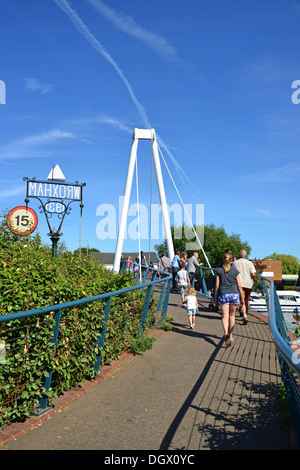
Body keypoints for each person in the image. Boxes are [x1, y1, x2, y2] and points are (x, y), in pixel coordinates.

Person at [214, 253, 245, 346]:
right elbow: (239, 286)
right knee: (232, 316)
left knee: (224, 316)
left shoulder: (219, 271)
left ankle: (225, 333)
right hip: (234, 295)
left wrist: (215, 298)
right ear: (231, 260)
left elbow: (216, 285)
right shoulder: (235, 271)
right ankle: (231, 336)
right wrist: (242, 299)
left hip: (223, 295)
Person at [232, 250, 256, 319]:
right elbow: (253, 274)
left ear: (239, 255)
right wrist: (253, 279)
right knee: (247, 300)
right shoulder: (249, 263)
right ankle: (246, 314)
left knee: (240, 299)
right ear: (246, 256)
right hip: (248, 284)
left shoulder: (234, 263)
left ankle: (243, 312)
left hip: (238, 283)